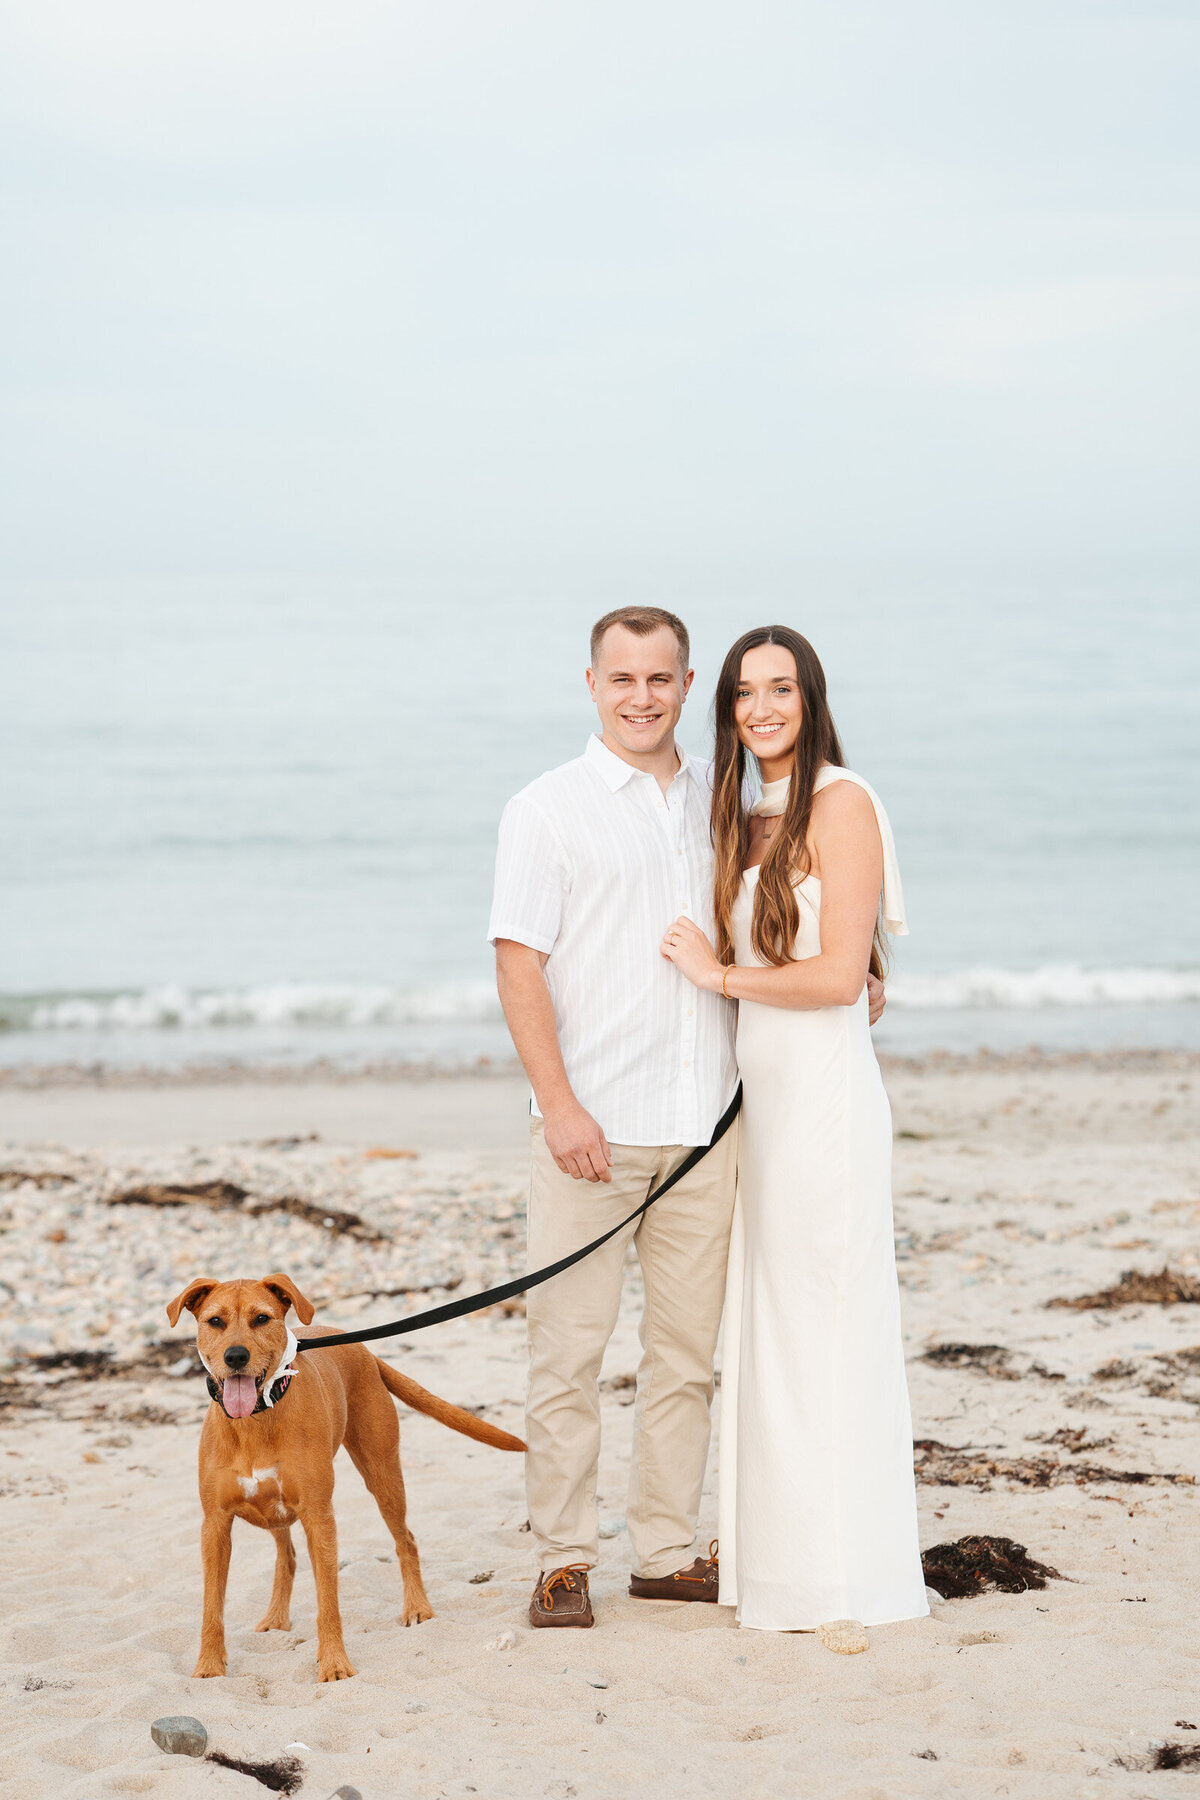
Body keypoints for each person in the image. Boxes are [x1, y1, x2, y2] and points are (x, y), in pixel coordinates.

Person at [488, 608, 885, 1630]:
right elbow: (517, 962)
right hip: (592, 1132)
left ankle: (663, 1551)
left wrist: (865, 968)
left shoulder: (724, 804)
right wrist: (561, 1104)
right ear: (591, 683)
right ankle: (564, 1559)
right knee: (567, 1355)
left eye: (660, 679)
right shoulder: (547, 809)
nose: (641, 697)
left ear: (685, 681)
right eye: (622, 679)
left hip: (708, 1129)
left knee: (684, 1360)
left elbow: (801, 899)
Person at [661, 625, 928, 1640]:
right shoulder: (744, 811)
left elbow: (829, 977)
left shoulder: (843, 803)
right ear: (728, 710)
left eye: (781, 689)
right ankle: (781, 1571)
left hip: (824, 1105)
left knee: (829, 1327)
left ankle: (845, 1580)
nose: (762, 707)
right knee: (770, 1333)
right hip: (761, 1111)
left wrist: (715, 974)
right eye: (743, 693)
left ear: (811, 700)